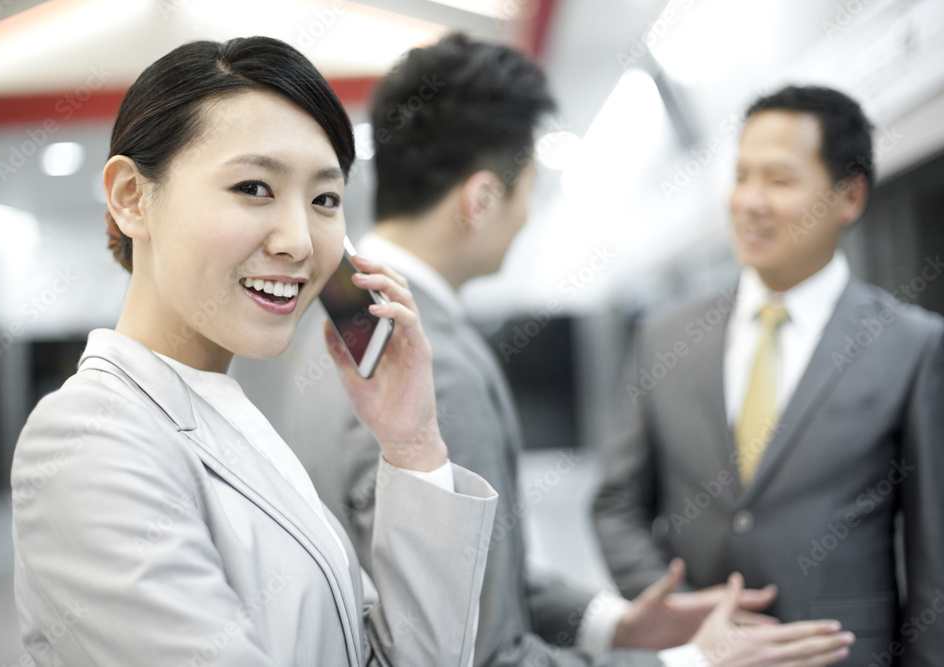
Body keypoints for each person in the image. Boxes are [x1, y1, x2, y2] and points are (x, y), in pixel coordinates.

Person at [283, 35, 856, 666]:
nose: (527, 215)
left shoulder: (339, 327)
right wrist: (688, 662)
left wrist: (612, 625)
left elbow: (467, 574)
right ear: (480, 201)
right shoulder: (428, 367)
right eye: (528, 187)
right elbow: (479, 651)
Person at [9, 36, 500, 666]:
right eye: (253, 187)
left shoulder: (228, 419)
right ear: (132, 197)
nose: (299, 241)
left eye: (325, 199)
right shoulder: (88, 440)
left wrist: (412, 446)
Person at [591, 85, 944, 665]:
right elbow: (616, 505)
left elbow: (935, 558)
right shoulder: (666, 337)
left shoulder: (910, 344)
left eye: (779, 180)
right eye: (741, 175)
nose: (750, 201)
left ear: (849, 197)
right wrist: (683, 614)